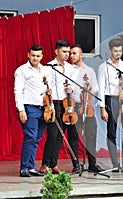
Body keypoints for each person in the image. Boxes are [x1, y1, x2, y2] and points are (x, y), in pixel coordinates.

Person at [39, 40, 80, 174]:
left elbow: (74, 83)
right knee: (52, 134)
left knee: (60, 135)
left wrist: (71, 89)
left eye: (68, 52)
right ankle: (45, 164)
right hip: (53, 102)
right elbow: (43, 84)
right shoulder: (48, 67)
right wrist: (48, 90)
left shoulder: (71, 68)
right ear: (56, 51)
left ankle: (53, 164)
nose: (67, 54)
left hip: (66, 104)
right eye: (64, 51)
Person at [98, 38, 123, 171]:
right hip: (111, 99)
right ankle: (115, 163)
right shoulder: (104, 67)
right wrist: (102, 108)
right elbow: (101, 89)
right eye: (115, 51)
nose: (118, 54)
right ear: (110, 51)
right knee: (112, 132)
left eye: (120, 51)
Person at [14, 45, 51, 177]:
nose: (35, 58)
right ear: (28, 55)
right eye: (33, 55)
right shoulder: (22, 70)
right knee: (30, 137)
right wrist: (21, 110)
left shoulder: (45, 70)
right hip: (29, 108)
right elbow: (17, 91)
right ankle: (24, 167)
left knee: (37, 138)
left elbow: (48, 87)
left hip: (44, 108)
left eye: (38, 56)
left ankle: (30, 167)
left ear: (42, 56)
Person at [69, 44, 103, 173]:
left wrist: (89, 88)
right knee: (73, 135)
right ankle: (76, 165)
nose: (72, 56)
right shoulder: (68, 70)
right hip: (73, 105)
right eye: (71, 53)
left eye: (74, 53)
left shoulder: (89, 70)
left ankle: (92, 164)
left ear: (81, 55)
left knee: (91, 134)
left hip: (86, 105)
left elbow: (96, 88)